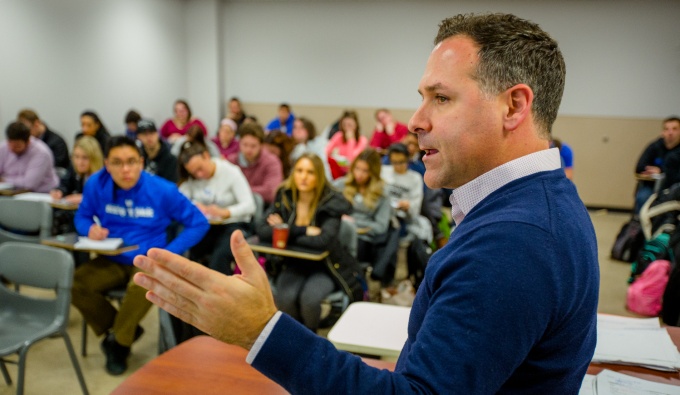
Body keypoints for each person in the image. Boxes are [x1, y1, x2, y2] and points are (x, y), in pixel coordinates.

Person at [133, 13, 599, 393]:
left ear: (514, 107)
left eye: (441, 97)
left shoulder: (515, 242)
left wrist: (261, 331)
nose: (415, 120)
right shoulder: (541, 205)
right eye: (422, 98)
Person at [71, 136, 209, 376]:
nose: (125, 169)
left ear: (141, 162)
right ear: (106, 164)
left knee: (143, 282)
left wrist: (168, 253)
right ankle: (124, 332)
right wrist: (88, 229)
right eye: (117, 162)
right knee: (73, 282)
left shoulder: (162, 189)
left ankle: (120, 345)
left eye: (131, 162)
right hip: (112, 256)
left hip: (147, 259)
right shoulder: (95, 184)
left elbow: (199, 222)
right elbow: (81, 216)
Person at [255, 153, 360, 331]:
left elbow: (323, 240)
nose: (303, 177)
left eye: (310, 172)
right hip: (292, 263)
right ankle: (294, 340)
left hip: (325, 267)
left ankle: (309, 338)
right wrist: (302, 230)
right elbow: (263, 231)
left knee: (309, 300)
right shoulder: (285, 196)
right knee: (286, 298)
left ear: (319, 176)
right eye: (299, 171)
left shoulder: (331, 202)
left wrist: (283, 230)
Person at [178, 140, 255, 275]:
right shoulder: (193, 179)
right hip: (210, 225)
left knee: (219, 257)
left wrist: (226, 212)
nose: (199, 175)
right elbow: (181, 198)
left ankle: (221, 293)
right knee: (193, 248)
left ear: (207, 156)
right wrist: (195, 205)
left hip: (234, 224)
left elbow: (250, 205)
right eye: (194, 173)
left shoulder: (231, 172)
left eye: (200, 169)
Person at [337, 149, 396, 285]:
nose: (359, 174)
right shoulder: (341, 185)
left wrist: (353, 223)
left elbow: (381, 227)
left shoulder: (382, 192)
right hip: (339, 233)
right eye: (357, 169)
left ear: (373, 172)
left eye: (365, 171)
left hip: (365, 239)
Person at [227, 123, 283, 204]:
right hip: (234, 204)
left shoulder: (272, 162)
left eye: (253, 146)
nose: (248, 150)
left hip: (263, 207)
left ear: (261, 145)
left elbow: (271, 192)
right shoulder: (231, 161)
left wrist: (240, 189)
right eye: (245, 145)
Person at [634, 116, 680, 212]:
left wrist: (661, 170)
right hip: (652, 187)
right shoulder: (655, 146)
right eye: (667, 129)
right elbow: (639, 167)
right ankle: (642, 224)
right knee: (643, 197)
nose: (670, 132)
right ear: (662, 132)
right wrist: (654, 171)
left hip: (674, 187)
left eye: (674, 129)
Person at [0, 122, 59, 192]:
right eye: (10, 144)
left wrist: (4, 179)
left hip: (41, 194)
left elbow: (29, 184)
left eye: (17, 146)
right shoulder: (3, 147)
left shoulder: (41, 153)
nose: (12, 149)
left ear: (28, 142)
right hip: (9, 192)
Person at [50, 136, 103, 206]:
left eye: (85, 158)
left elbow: (103, 197)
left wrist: (84, 198)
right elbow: (65, 184)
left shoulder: (103, 176)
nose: (79, 162)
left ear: (94, 158)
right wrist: (59, 191)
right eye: (76, 157)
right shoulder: (74, 168)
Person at [325, 110, 368, 177]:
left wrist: (351, 141)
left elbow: (351, 160)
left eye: (350, 125)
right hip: (340, 169)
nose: (347, 128)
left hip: (354, 171)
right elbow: (326, 151)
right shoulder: (339, 135)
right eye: (344, 125)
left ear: (356, 125)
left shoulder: (362, 140)